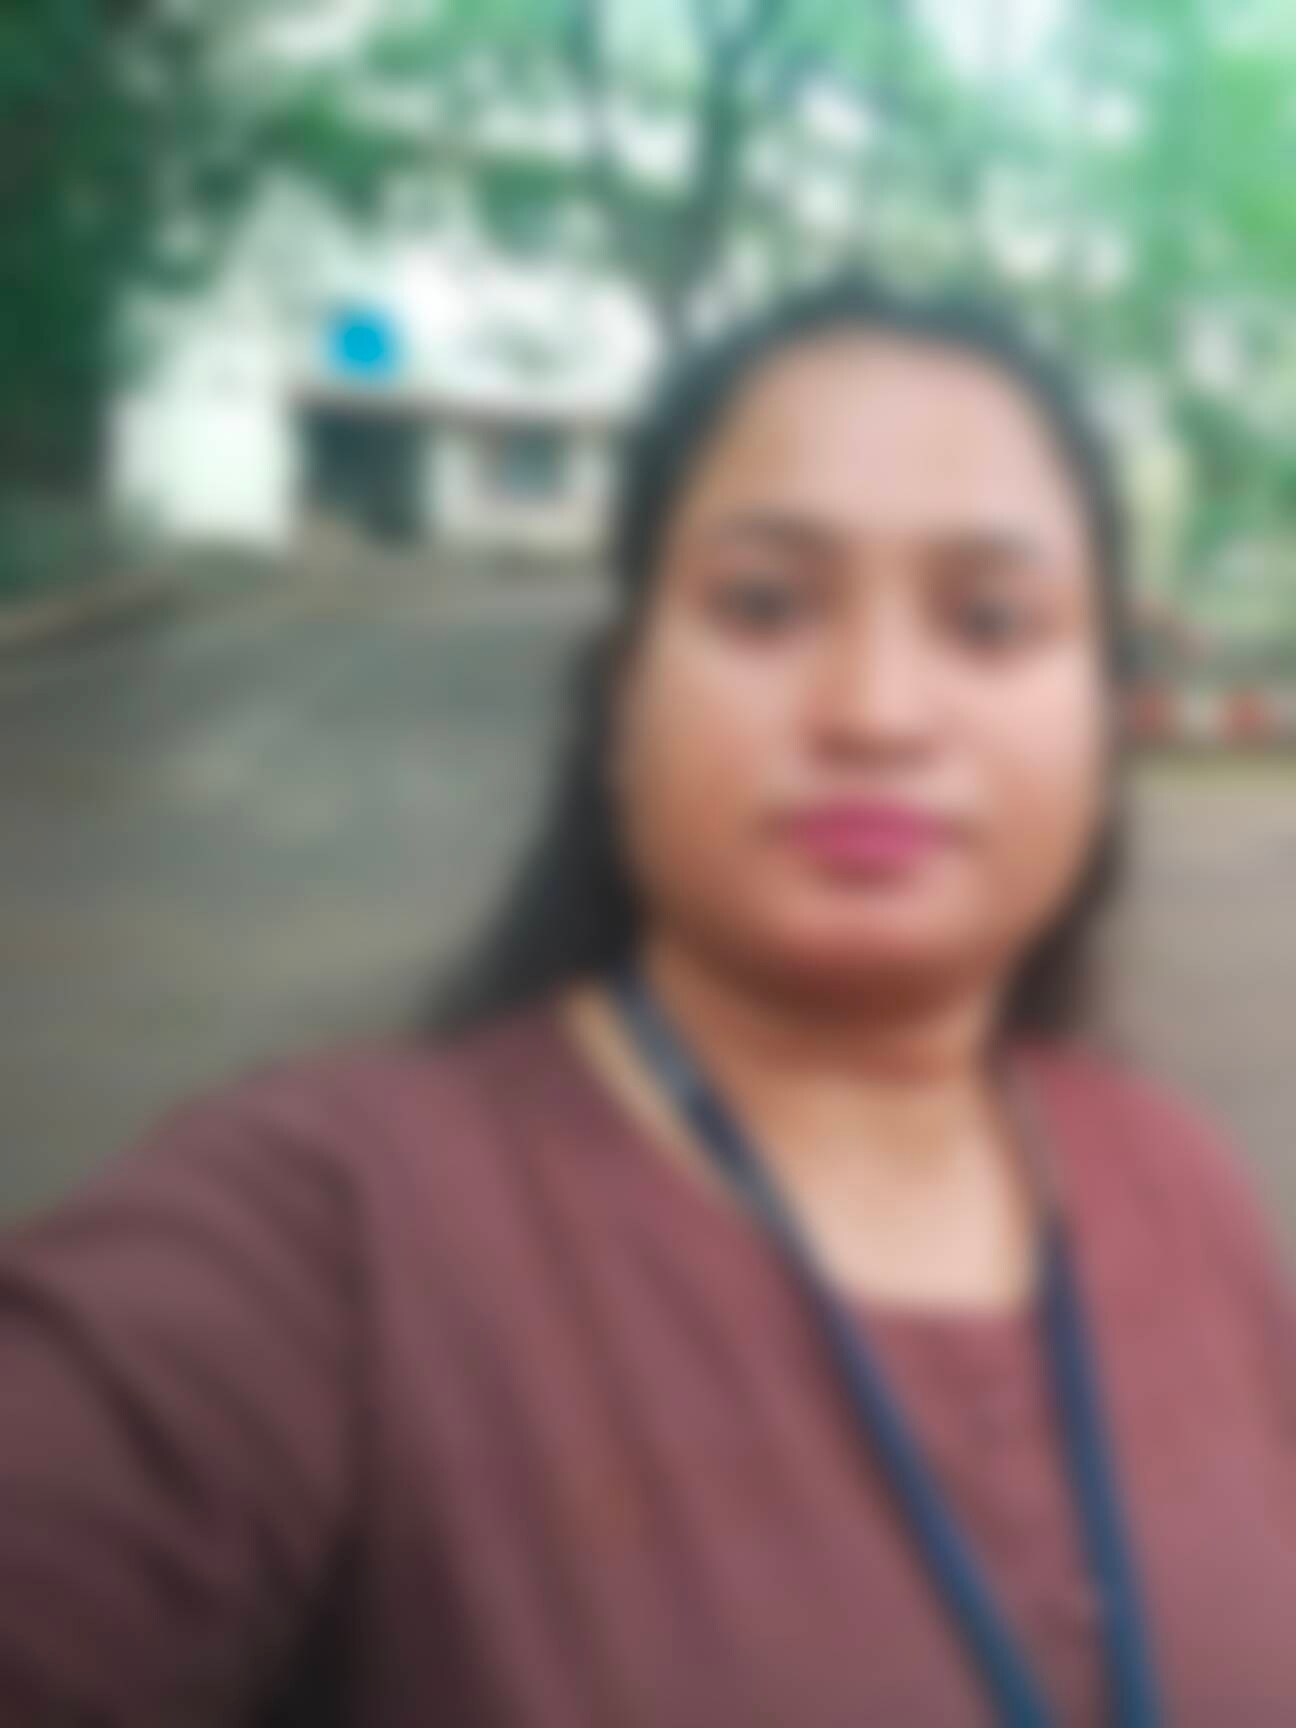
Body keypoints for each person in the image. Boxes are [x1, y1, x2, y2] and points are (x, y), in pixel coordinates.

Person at [1, 277, 1293, 1728]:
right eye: (764, 604)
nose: (875, 710)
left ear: (1104, 715)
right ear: (624, 695)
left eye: (990, 621)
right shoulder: (337, 1236)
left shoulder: (1185, 1193)